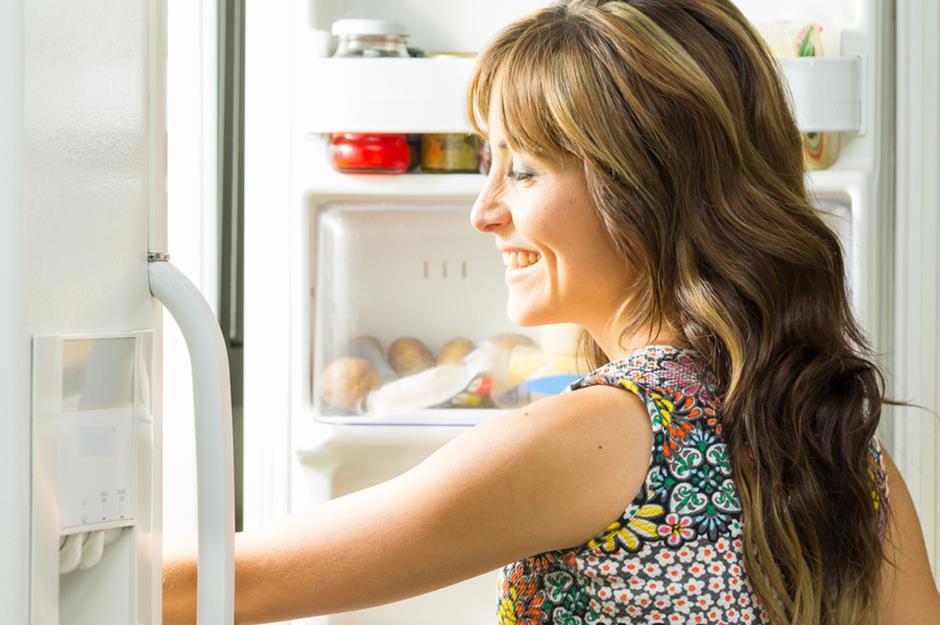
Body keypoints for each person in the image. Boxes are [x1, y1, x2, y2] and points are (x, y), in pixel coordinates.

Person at [163, 1, 940, 623]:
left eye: (524, 170)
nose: (484, 211)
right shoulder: (851, 453)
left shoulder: (605, 433)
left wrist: (58, 527)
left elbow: (234, 584)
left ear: (643, 189)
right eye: (485, 163)